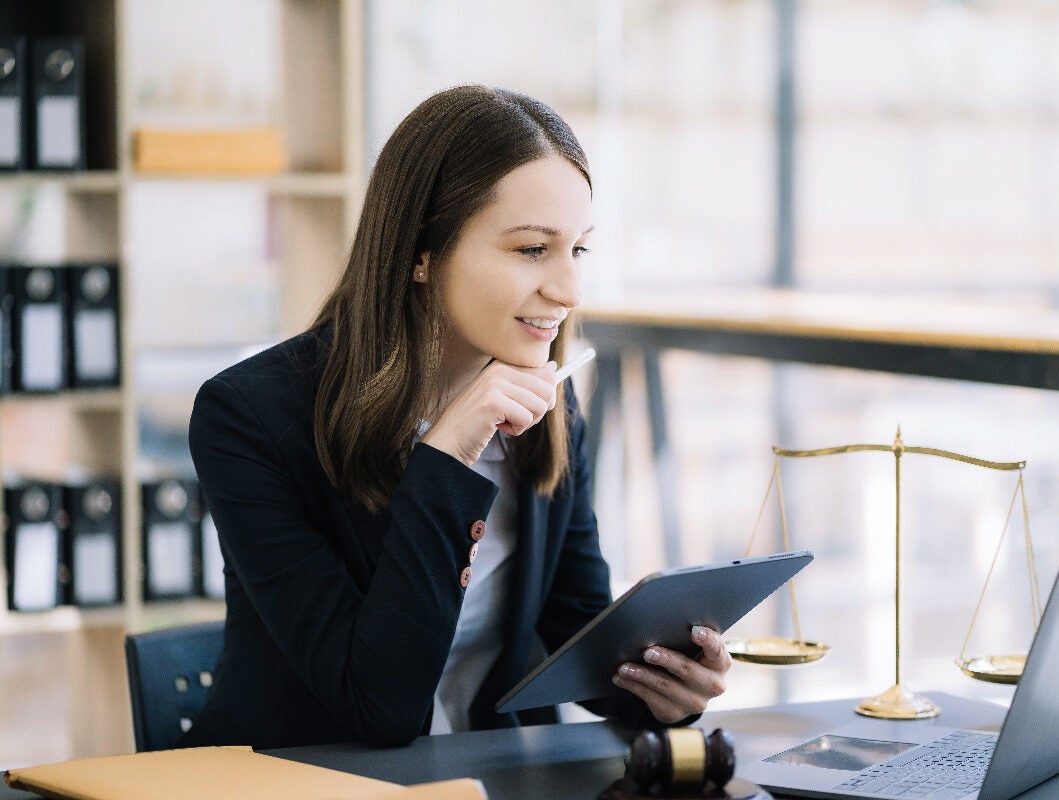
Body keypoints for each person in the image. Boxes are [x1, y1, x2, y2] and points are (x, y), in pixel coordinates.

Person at [181, 85, 732, 750]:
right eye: (532, 249)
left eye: (578, 249)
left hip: (490, 771)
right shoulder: (249, 419)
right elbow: (374, 704)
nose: (568, 289)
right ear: (421, 252)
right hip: (308, 781)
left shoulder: (548, 404)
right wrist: (445, 456)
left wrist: (666, 692)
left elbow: (574, 628)